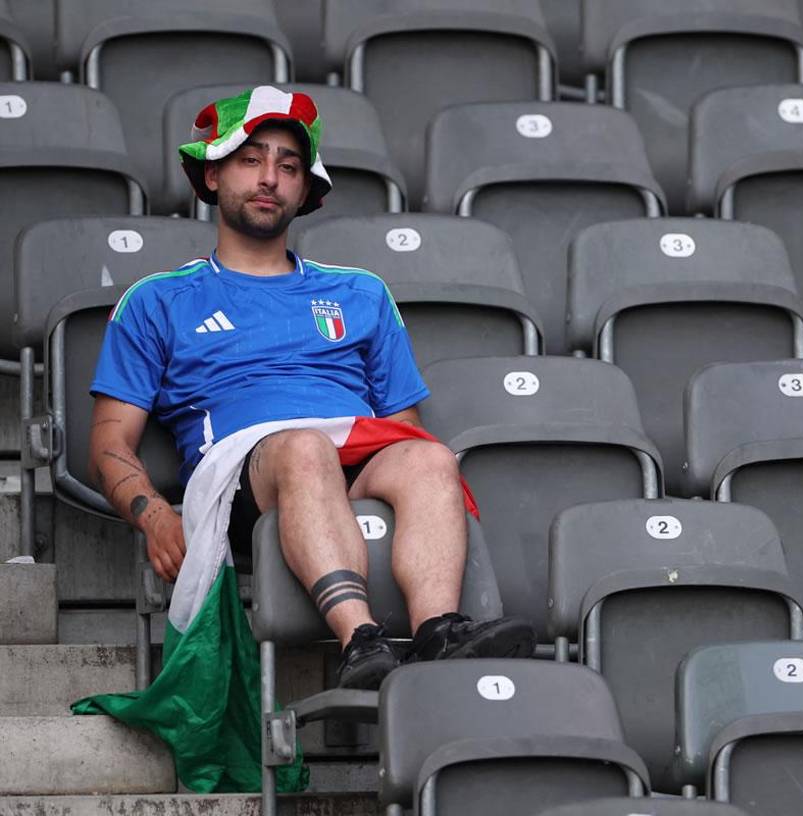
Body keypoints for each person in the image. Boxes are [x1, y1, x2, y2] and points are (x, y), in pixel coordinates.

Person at [87, 86, 535, 691]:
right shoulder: (158, 299)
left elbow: (404, 427)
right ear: (212, 174)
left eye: (289, 166)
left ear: (305, 190)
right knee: (303, 448)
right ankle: (361, 640)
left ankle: (440, 633)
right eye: (251, 159)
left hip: (353, 457)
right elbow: (110, 441)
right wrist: (154, 517)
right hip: (248, 474)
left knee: (429, 457)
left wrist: (409, 457)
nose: (270, 177)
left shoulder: (362, 292)